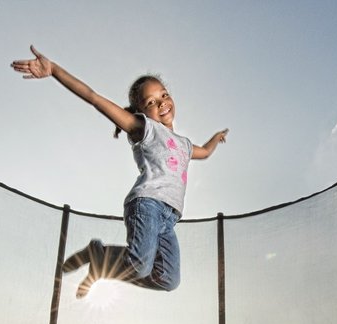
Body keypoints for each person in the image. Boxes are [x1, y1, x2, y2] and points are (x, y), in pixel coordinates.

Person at [11, 45, 228, 298]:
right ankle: (99, 254)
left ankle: (101, 266)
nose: (162, 103)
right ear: (141, 112)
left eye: (164, 95)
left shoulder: (185, 144)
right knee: (139, 265)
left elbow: (205, 152)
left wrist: (216, 138)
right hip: (147, 205)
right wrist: (55, 70)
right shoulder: (144, 129)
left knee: (168, 279)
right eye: (151, 102)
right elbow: (94, 98)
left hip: (169, 219)